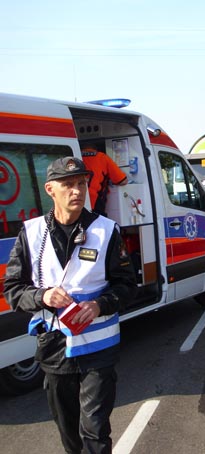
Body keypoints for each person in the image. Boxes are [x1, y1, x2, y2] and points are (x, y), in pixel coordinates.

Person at [4, 157, 137, 453]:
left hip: (98, 348)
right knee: (69, 433)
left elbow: (127, 286)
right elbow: (12, 290)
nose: (77, 191)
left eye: (81, 183)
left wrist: (100, 304)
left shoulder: (106, 230)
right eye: (68, 185)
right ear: (50, 189)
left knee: (95, 431)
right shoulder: (31, 233)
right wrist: (42, 297)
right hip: (54, 348)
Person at [81, 146, 127, 215]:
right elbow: (122, 180)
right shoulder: (102, 157)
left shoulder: (74, 157)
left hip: (78, 199)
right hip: (94, 201)